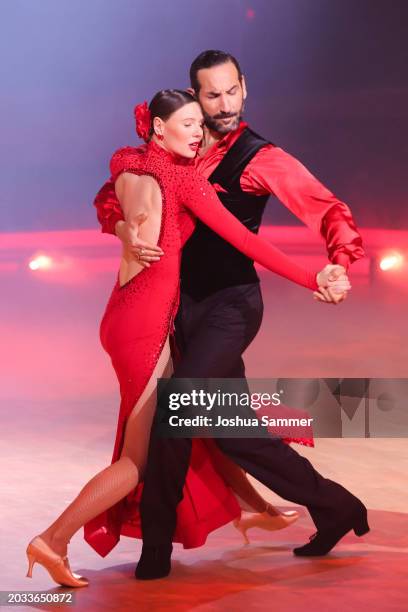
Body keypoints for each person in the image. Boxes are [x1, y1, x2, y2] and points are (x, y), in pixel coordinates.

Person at [25, 89, 349, 588]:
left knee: (197, 414)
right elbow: (246, 241)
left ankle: (255, 505)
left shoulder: (125, 160)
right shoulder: (184, 179)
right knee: (140, 458)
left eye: (202, 124)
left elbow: (111, 199)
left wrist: (123, 229)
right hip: (150, 327)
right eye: (190, 123)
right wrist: (313, 280)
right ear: (159, 128)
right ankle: (53, 539)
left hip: (121, 315)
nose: (200, 133)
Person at [96, 51, 367, 580]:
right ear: (194, 97)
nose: (222, 106)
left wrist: (335, 265)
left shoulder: (262, 157)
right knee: (233, 432)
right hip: (179, 309)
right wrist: (123, 229)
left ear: (245, 87)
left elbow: (327, 208)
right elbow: (114, 196)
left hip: (231, 306)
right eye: (210, 95)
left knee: (180, 407)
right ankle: (337, 507)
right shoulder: (179, 143)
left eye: (230, 92)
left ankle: (157, 547)